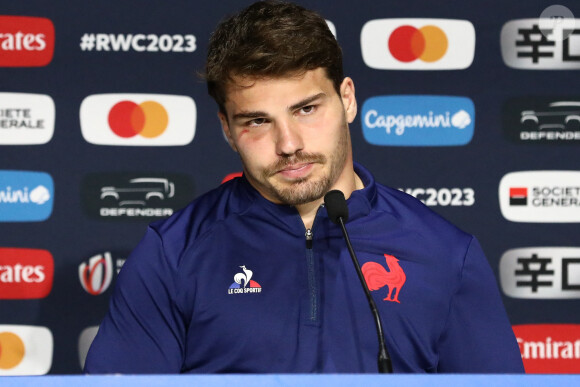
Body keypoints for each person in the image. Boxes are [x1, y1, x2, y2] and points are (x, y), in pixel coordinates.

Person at [84, 0, 524, 374]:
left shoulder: (445, 253)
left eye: (307, 109)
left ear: (347, 99)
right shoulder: (172, 253)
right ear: (226, 129)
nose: (288, 144)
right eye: (257, 121)